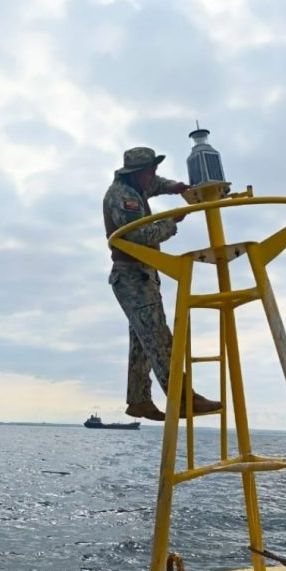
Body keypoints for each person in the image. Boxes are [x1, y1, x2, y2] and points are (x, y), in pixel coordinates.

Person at [104, 146, 221, 421]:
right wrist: (172, 220)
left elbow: (157, 185)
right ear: (137, 173)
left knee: (141, 341)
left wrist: (176, 187)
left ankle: (139, 400)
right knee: (158, 337)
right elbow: (140, 236)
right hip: (132, 276)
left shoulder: (137, 187)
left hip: (141, 274)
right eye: (150, 171)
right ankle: (181, 398)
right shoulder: (122, 196)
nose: (153, 175)